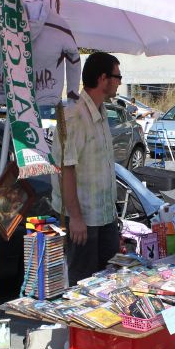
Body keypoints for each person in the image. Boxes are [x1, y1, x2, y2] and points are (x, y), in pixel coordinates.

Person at [51, 52, 122, 285]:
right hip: (84, 220)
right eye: (117, 76)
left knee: (107, 285)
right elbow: (66, 169)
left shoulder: (101, 112)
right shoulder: (73, 116)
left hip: (105, 217)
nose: (120, 81)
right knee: (82, 287)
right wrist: (77, 218)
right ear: (103, 78)